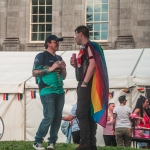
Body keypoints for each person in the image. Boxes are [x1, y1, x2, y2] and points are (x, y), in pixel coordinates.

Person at [70, 25, 109, 150]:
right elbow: (86, 67)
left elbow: (92, 64)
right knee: (88, 113)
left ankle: (85, 143)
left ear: (81, 34)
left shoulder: (89, 46)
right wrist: (75, 65)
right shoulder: (86, 48)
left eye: (75, 34)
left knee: (81, 113)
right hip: (87, 83)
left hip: (87, 84)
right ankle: (91, 144)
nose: (75, 37)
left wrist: (85, 83)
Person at [32, 35, 67, 150]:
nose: (57, 43)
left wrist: (63, 68)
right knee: (49, 116)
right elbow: (35, 73)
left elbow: (64, 77)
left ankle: (52, 142)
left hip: (60, 91)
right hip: (47, 90)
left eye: (58, 42)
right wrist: (51, 69)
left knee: (57, 118)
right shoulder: (41, 56)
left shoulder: (58, 57)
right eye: (55, 42)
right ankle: (37, 141)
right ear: (48, 43)